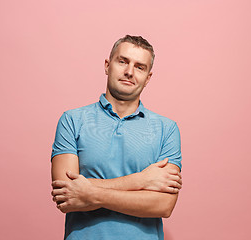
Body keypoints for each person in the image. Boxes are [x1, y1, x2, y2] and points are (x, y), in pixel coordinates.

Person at [51, 35, 182, 240]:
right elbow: (66, 195)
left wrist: (90, 193)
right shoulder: (72, 120)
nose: (129, 72)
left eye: (140, 67)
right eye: (123, 61)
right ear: (107, 65)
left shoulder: (167, 129)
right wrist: (141, 180)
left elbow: (163, 205)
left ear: (148, 77)